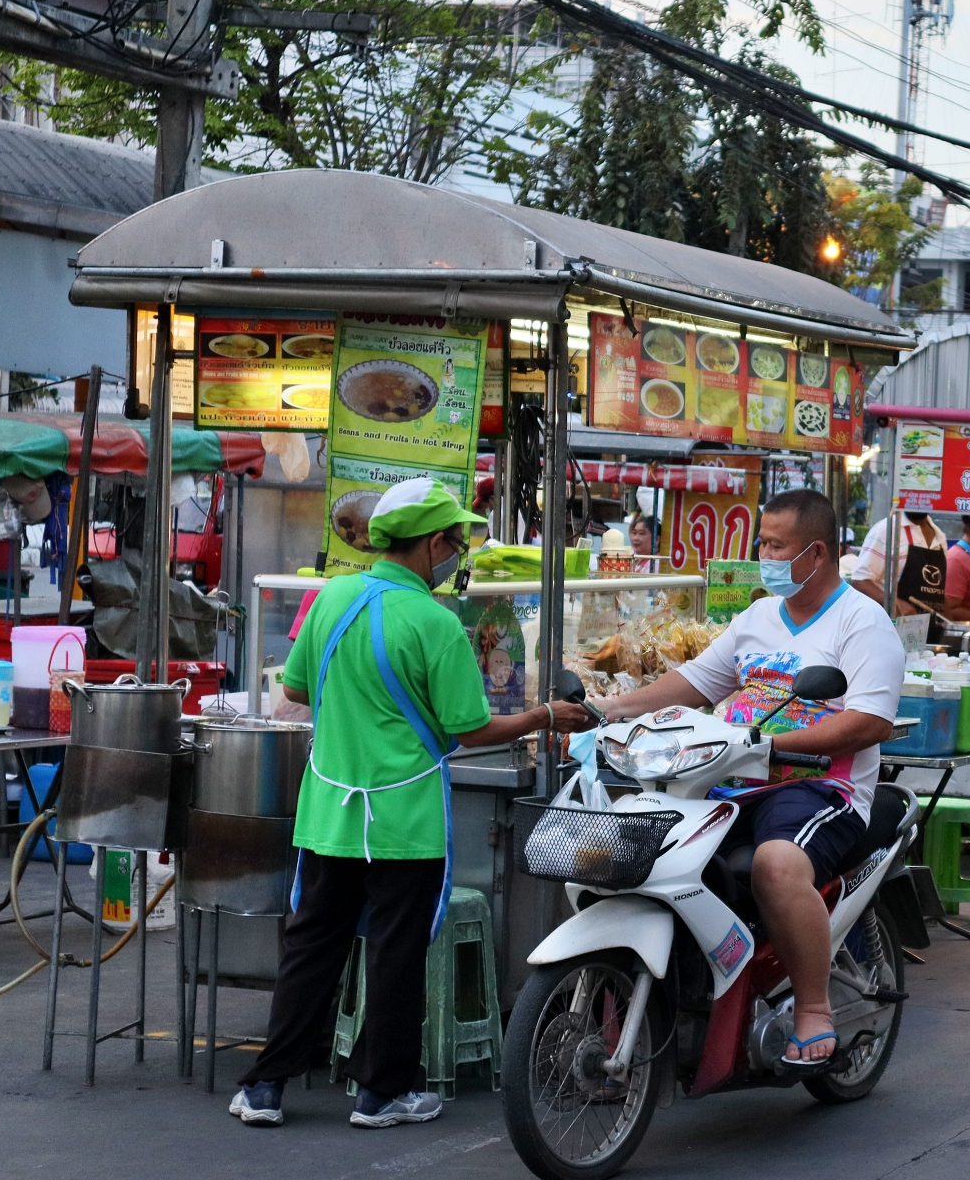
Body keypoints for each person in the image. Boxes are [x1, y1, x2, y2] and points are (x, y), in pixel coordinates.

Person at [229, 480, 598, 1129]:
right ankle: (383, 1092)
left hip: (330, 810)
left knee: (312, 946)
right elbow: (472, 730)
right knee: (396, 952)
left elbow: (294, 686)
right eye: (455, 540)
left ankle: (265, 1086)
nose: (457, 551)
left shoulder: (333, 595)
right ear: (434, 544)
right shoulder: (436, 621)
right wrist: (544, 713)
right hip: (404, 817)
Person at [591, 489, 904, 1068]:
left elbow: (869, 722)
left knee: (775, 866)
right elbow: (695, 682)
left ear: (817, 553)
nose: (764, 554)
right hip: (730, 780)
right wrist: (609, 711)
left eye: (775, 545)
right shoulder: (759, 615)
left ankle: (813, 1008)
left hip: (820, 789)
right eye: (761, 542)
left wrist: (768, 744)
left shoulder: (863, 622)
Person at [850, 509, 950, 616]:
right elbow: (859, 582)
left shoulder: (940, 537)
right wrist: (895, 603)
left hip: (931, 628)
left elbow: (937, 590)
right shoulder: (885, 530)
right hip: (893, 626)